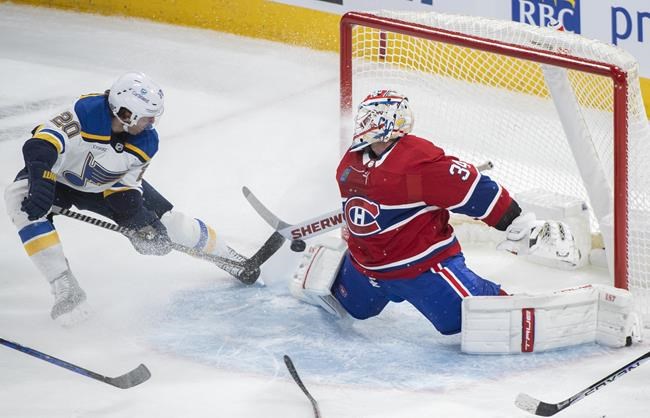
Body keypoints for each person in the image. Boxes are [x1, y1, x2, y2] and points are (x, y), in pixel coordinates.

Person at [289, 90, 640, 353]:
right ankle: (591, 315)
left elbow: (397, 199)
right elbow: (474, 191)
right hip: (410, 272)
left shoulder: (357, 164)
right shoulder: (406, 165)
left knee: (364, 309)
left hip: (381, 271)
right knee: (484, 319)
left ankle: (331, 272)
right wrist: (516, 221)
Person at [4, 72, 256, 326]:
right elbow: (40, 144)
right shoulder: (87, 112)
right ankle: (65, 286)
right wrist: (43, 180)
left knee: (171, 225)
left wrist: (138, 222)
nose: (152, 122)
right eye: (147, 116)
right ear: (126, 114)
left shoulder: (146, 141)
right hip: (57, 179)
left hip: (106, 186)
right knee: (19, 199)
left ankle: (230, 258)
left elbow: (125, 187)